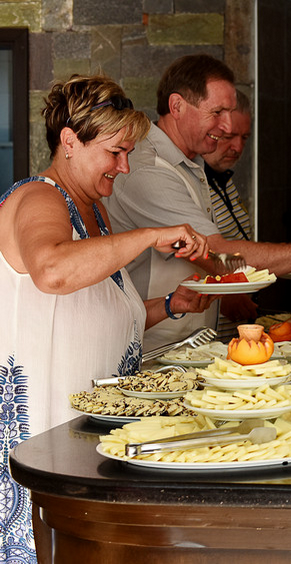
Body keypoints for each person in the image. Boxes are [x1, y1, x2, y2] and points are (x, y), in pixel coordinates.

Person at [0, 75, 214, 562]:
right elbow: (53, 272)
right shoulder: (39, 197)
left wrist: (170, 306)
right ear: (69, 141)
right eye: (115, 153)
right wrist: (149, 235)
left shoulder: (96, 215)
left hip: (87, 439)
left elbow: (97, 321)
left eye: (129, 153)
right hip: (41, 437)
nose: (124, 167)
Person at [105, 54, 291, 348]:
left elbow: (207, 257)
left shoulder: (190, 161)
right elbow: (218, 255)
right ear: (177, 106)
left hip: (187, 345)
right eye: (217, 112)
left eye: (230, 112)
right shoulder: (148, 169)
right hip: (151, 349)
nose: (227, 127)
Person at [202, 89, 257, 331]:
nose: (238, 147)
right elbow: (186, 255)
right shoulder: (194, 184)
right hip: (206, 332)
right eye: (229, 137)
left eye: (244, 137)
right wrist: (223, 296)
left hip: (237, 329)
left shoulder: (224, 178)